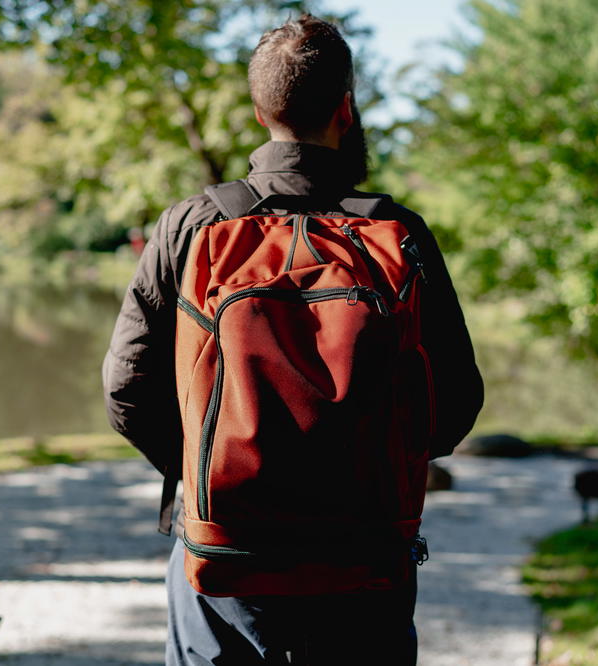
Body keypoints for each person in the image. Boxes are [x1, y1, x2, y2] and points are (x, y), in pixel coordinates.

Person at [102, 14, 483, 665]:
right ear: (345, 109)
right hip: (365, 560)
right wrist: (373, 464)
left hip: (224, 554)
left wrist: (209, 467)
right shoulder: (399, 234)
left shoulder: (192, 226)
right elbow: (456, 401)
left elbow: (125, 390)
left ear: (258, 111)